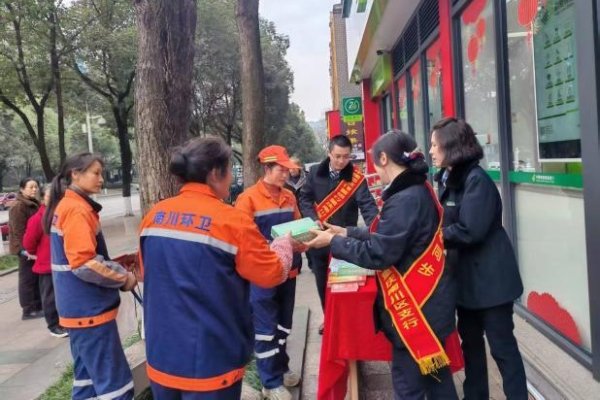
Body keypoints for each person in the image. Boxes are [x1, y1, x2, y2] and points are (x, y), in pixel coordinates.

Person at [306, 131, 458, 399]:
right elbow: (386, 234)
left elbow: (378, 252)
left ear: (385, 159)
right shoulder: (417, 189)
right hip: (432, 307)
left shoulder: (404, 199)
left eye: (376, 164)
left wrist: (332, 241)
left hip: (417, 313)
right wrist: (346, 232)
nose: (376, 173)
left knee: (408, 388)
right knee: (437, 381)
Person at [139, 137, 294, 400]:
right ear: (214, 173)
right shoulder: (231, 221)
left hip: (162, 357)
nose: (231, 180)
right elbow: (272, 273)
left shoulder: (153, 216)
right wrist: (284, 244)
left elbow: (146, 273)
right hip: (211, 362)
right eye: (229, 171)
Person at [430, 117, 527, 400]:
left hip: (492, 282)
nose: (431, 150)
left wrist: (432, 238)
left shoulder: (476, 180)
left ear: (452, 146)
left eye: (435, 145)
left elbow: (470, 230)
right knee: (470, 346)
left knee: (502, 348)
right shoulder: (449, 178)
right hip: (466, 281)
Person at [44, 153, 137, 400]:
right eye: (96, 173)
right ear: (75, 174)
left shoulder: (69, 205)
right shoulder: (76, 210)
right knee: (115, 385)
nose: (101, 179)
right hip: (89, 311)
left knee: (87, 382)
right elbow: (84, 263)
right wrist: (124, 278)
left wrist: (116, 266)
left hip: (77, 310)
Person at [235, 145, 304, 400]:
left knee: (284, 326)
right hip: (261, 276)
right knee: (265, 328)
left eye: (287, 171)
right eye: (280, 170)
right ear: (267, 168)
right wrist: (274, 246)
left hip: (289, 271)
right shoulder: (248, 199)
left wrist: (305, 238)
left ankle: (281, 367)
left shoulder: (289, 196)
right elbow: (242, 239)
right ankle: (270, 382)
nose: (286, 175)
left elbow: (298, 226)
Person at [298, 135, 378, 325]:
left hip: (344, 239)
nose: (342, 161)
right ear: (329, 153)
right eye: (337, 156)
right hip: (319, 238)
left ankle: (345, 323)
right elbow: (305, 199)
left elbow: (368, 206)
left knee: (345, 284)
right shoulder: (315, 172)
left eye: (346, 156)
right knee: (322, 283)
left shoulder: (356, 178)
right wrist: (313, 219)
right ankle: (328, 319)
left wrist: (376, 228)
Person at [22, 184, 68, 338]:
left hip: (64, 263)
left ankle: (65, 322)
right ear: (43, 199)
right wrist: (39, 254)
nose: (54, 199)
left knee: (63, 294)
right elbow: (29, 243)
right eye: (50, 196)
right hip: (47, 265)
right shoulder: (37, 219)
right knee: (50, 297)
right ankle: (54, 325)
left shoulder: (62, 214)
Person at [8, 177, 42, 320]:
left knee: (36, 278)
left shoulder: (33, 203)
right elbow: (18, 232)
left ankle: (38, 306)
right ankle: (28, 310)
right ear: (22, 189)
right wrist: (25, 251)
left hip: (34, 247)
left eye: (36, 187)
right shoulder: (19, 206)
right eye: (30, 187)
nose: (34, 189)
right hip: (25, 250)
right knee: (27, 279)